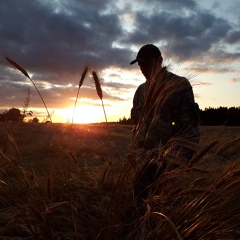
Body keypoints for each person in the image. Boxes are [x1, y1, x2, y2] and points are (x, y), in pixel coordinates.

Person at [129, 44, 200, 211]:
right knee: (141, 206)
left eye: (146, 64)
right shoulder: (140, 91)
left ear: (159, 60)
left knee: (169, 208)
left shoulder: (180, 85)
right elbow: (137, 128)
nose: (142, 69)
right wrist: (134, 152)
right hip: (144, 162)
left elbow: (189, 129)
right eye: (140, 65)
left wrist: (179, 161)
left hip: (171, 162)